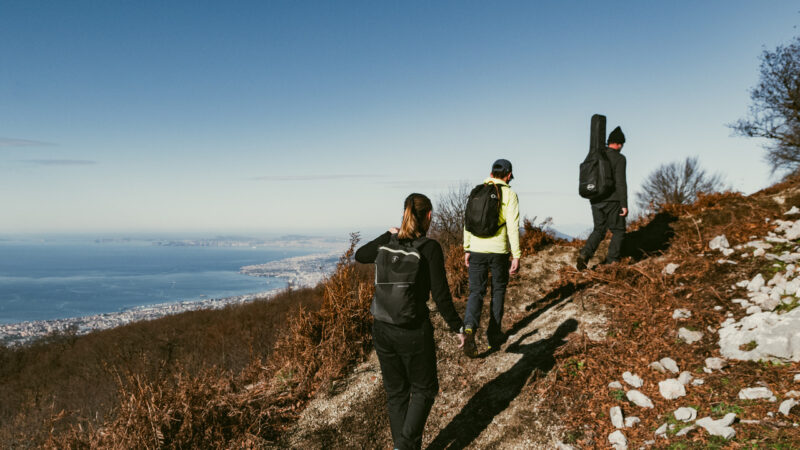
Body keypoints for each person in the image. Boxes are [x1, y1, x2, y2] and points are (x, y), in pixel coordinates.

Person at [355, 193, 465, 450]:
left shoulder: (389, 243)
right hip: (413, 331)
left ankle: (403, 446)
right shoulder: (429, 248)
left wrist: (387, 234)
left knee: (397, 394)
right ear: (428, 216)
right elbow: (441, 296)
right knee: (425, 389)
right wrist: (457, 326)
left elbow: (360, 254)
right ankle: (403, 447)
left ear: (404, 213)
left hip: (381, 328)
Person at [462, 159, 521, 357]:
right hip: (498, 252)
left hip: (476, 249)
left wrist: (467, 247)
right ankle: (493, 335)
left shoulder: (477, 192)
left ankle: (469, 327)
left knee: (476, 292)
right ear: (509, 175)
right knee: (498, 291)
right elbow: (512, 227)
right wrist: (516, 255)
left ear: (490, 173)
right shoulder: (509, 194)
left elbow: (468, 222)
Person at [576, 126, 628, 270]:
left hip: (595, 199)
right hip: (613, 200)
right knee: (618, 230)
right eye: (622, 144)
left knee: (599, 229)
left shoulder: (596, 154)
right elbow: (621, 182)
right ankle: (612, 262)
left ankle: (585, 254)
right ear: (618, 144)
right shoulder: (619, 158)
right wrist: (624, 204)